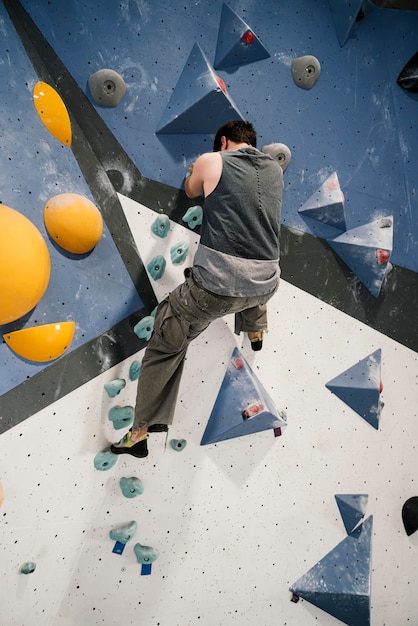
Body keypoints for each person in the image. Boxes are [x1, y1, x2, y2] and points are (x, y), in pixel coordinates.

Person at [111, 120, 283, 458]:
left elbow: (191, 190)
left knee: (166, 341)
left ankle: (139, 433)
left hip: (216, 291)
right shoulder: (274, 170)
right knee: (253, 256)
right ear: (252, 143)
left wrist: (196, 169)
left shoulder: (212, 160)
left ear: (223, 141)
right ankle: (256, 329)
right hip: (266, 285)